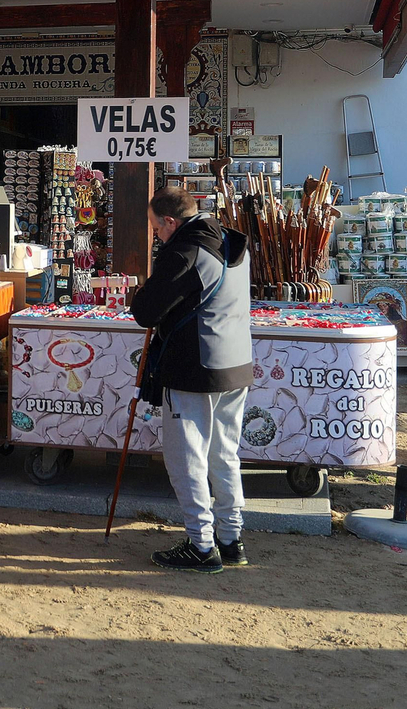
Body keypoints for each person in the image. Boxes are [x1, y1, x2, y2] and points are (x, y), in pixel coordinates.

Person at [130, 187, 253, 574]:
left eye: (155, 228)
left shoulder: (186, 250)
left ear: (170, 221)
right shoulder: (231, 240)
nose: (155, 236)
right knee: (224, 454)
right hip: (235, 361)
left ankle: (202, 545)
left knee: (188, 458)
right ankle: (231, 539)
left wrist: (140, 292)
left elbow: (146, 311)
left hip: (195, 365)